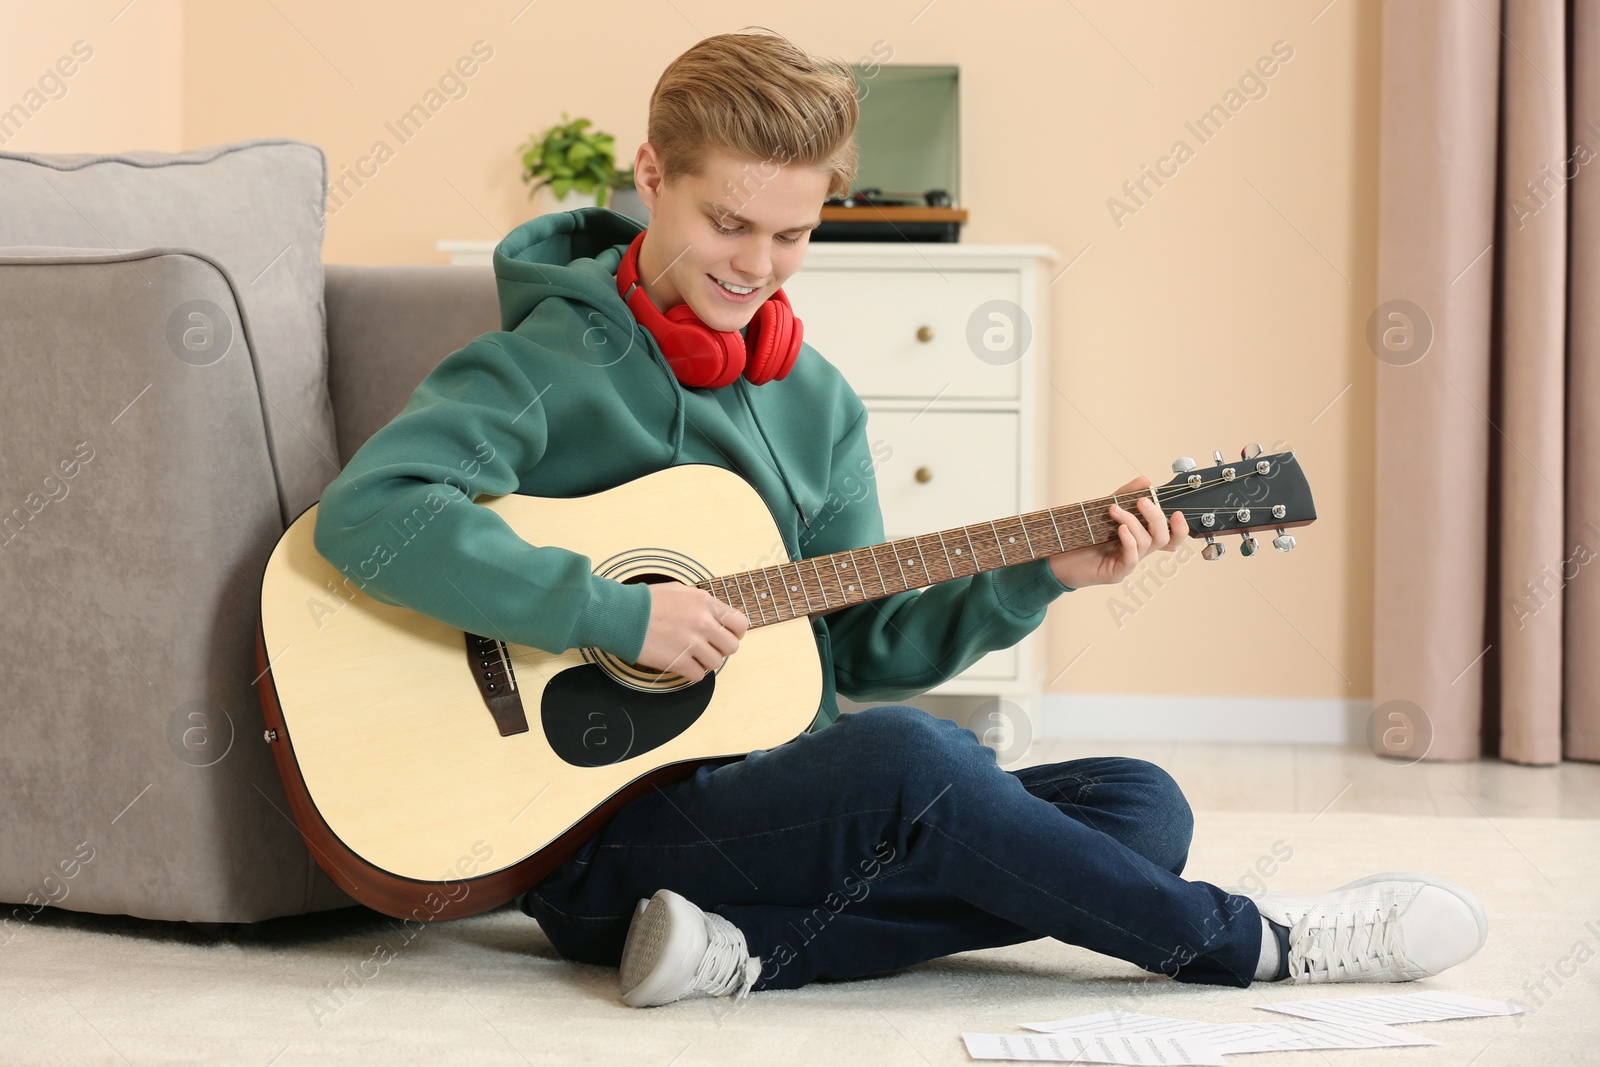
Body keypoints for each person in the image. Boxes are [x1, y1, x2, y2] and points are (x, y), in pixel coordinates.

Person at [311, 27, 1487, 1009]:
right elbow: (373, 512)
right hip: (593, 837)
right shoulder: (541, 364)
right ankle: (1251, 940)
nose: (759, 265)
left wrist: (1035, 574)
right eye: (730, 223)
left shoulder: (814, 401)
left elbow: (865, 647)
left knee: (1137, 803)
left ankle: (756, 950)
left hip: (783, 806)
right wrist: (608, 609)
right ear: (651, 176)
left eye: (794, 234)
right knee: (921, 763)